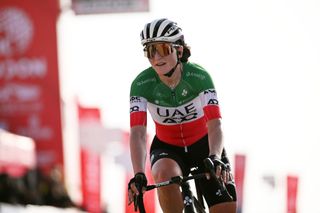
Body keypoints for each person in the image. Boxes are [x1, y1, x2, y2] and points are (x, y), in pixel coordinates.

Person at [128, 18, 237, 213]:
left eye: (161, 49)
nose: (155, 58)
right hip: (168, 149)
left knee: (226, 208)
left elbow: (215, 124)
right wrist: (138, 173)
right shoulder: (141, 85)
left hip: (205, 146)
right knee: (163, 174)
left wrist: (215, 156)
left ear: (178, 50)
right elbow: (137, 133)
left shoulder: (199, 77)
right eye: (149, 51)